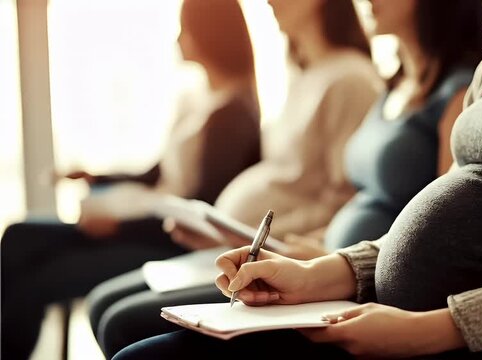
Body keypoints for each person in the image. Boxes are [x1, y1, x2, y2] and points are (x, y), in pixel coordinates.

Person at [113, 0, 482, 359]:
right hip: (382, 312)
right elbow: (442, 208)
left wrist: (428, 331)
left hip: (468, 340)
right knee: (134, 339)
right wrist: (323, 273)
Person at [86, 0, 381, 357]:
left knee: (118, 319)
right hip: (238, 247)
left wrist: (266, 239)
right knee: (106, 305)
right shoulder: (303, 74)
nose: (269, 1)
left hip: (280, 255)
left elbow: (339, 199)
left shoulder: (350, 79)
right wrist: (225, 230)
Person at [0, 0, 261, 358]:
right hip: (143, 222)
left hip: (163, 240)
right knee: (19, 236)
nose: (179, 38)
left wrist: (117, 227)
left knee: (35, 279)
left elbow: (199, 209)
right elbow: (157, 173)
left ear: (208, 35)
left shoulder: (232, 115)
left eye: (185, 28)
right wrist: (96, 175)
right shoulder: (199, 100)